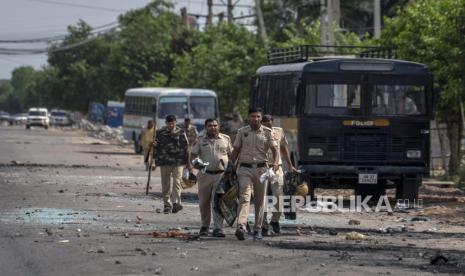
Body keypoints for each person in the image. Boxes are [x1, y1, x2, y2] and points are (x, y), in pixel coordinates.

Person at [230, 107, 279, 241]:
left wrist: (275, 163)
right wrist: (230, 166)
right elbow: (236, 150)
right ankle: (241, 226)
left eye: (258, 117)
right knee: (244, 197)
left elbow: (275, 149)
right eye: (253, 116)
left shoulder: (268, 132)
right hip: (244, 169)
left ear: (261, 118)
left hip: (262, 170)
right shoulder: (242, 132)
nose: (255, 119)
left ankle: (258, 228)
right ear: (248, 118)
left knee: (260, 200)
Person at [189, 119, 233, 237]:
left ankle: (218, 228)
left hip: (221, 175)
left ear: (218, 126)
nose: (213, 128)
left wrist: (232, 170)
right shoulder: (200, 140)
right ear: (206, 127)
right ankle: (205, 226)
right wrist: (191, 166)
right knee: (204, 202)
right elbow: (193, 155)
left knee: (218, 201)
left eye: (215, 125)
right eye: (210, 126)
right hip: (205, 175)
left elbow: (231, 155)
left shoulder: (226, 139)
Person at [261, 115, 297, 236]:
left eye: (269, 122)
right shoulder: (257, 133)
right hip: (262, 168)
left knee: (279, 197)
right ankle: (263, 224)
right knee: (262, 199)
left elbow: (283, 147)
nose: (267, 125)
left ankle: (275, 220)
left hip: (277, 168)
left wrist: (290, 165)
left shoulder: (279, 131)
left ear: (272, 122)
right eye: (264, 123)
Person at [154, 115, 190, 214]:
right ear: (166, 123)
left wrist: (188, 162)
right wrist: (153, 145)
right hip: (164, 162)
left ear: (175, 122)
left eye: (172, 123)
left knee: (177, 182)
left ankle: (176, 203)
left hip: (178, 162)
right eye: (169, 123)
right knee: (165, 184)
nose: (170, 125)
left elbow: (186, 147)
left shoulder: (181, 132)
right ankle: (167, 205)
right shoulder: (159, 133)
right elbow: (155, 146)